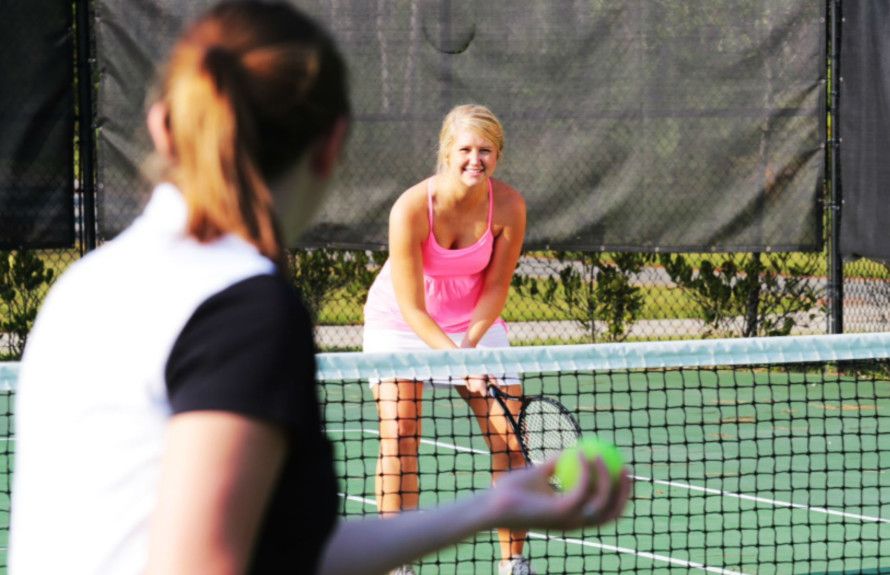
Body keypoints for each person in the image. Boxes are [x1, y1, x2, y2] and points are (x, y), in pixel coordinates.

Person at [9, 2, 632, 574]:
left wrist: (487, 509)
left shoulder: (79, 291)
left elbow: (280, 549)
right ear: (330, 147)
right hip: (406, 329)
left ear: (162, 128)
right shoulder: (244, 310)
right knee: (399, 436)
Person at [362, 104, 541, 574]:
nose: (474, 160)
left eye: (485, 150)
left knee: (512, 443)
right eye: (465, 149)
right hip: (401, 324)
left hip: (474, 324)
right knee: (400, 433)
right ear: (447, 151)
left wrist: (470, 349)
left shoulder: (508, 206)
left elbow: (497, 288)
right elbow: (412, 308)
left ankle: (513, 566)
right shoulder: (410, 209)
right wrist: (460, 361)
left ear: (498, 155)